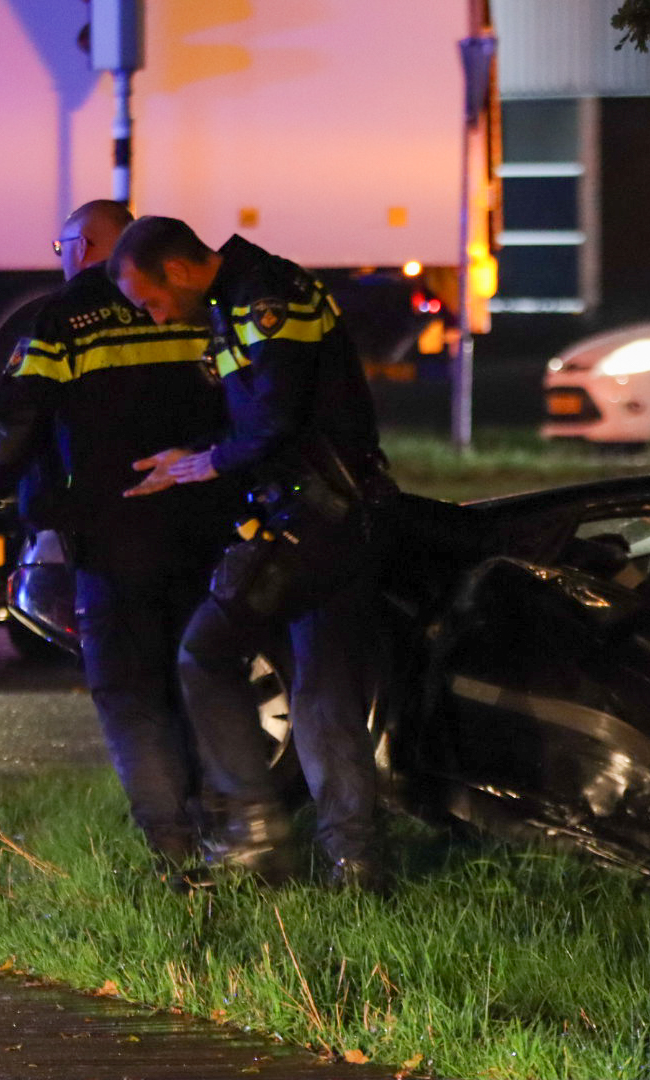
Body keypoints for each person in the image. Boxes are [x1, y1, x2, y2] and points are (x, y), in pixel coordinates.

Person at [0, 200, 239, 883]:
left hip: (112, 539)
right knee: (194, 678)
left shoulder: (60, 322)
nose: (62, 256)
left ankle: (172, 850)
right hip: (206, 535)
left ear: (88, 246)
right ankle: (224, 831)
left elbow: (17, 424)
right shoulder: (194, 309)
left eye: (64, 243)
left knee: (128, 693)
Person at [106, 216, 392, 891]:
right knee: (323, 690)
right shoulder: (241, 295)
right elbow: (258, 414)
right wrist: (195, 455)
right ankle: (356, 865)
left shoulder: (262, 299)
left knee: (204, 653)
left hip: (314, 516)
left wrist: (208, 462)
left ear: (176, 270)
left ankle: (254, 833)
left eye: (149, 299)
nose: (153, 315)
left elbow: (277, 418)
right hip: (334, 514)